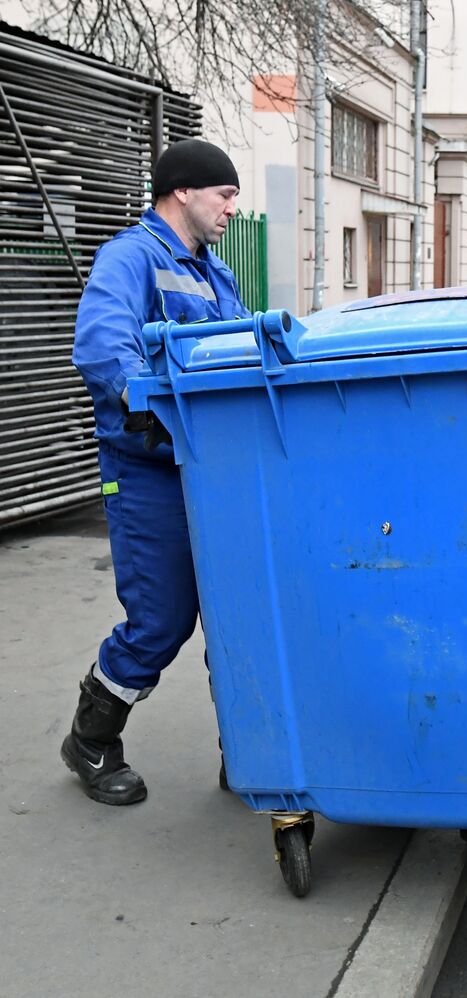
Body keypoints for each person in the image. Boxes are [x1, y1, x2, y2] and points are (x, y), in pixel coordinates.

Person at [63, 139, 249, 805]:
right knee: (161, 620)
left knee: (240, 611)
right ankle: (90, 739)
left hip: (215, 467)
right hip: (147, 472)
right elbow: (102, 343)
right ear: (183, 192)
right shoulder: (131, 256)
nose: (233, 207)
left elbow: (242, 352)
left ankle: (253, 752)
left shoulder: (214, 273)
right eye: (224, 194)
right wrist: (141, 403)